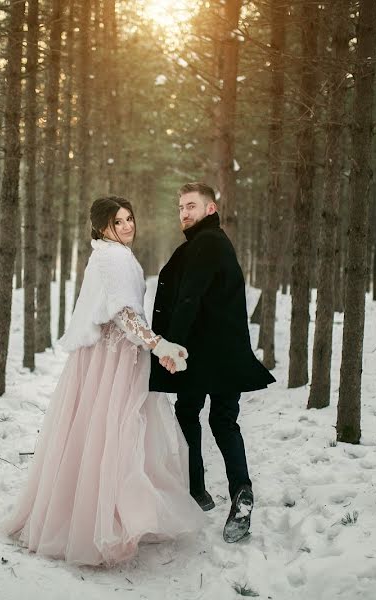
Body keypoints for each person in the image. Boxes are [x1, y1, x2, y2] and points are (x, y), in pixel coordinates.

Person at [4, 196, 205, 566]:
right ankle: (103, 523)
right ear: (100, 227)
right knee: (115, 434)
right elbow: (125, 314)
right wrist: (160, 345)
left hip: (112, 355)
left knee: (106, 434)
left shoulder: (110, 253)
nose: (127, 226)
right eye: (118, 221)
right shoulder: (112, 257)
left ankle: (112, 514)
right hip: (111, 359)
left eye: (130, 218)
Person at [150, 182, 276, 544]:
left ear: (210, 208)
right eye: (180, 208)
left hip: (200, 354)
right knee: (224, 421)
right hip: (226, 354)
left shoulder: (206, 243)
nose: (184, 213)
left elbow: (189, 298)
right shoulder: (214, 242)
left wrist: (171, 348)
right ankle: (237, 492)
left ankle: (198, 491)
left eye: (191, 206)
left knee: (189, 414)